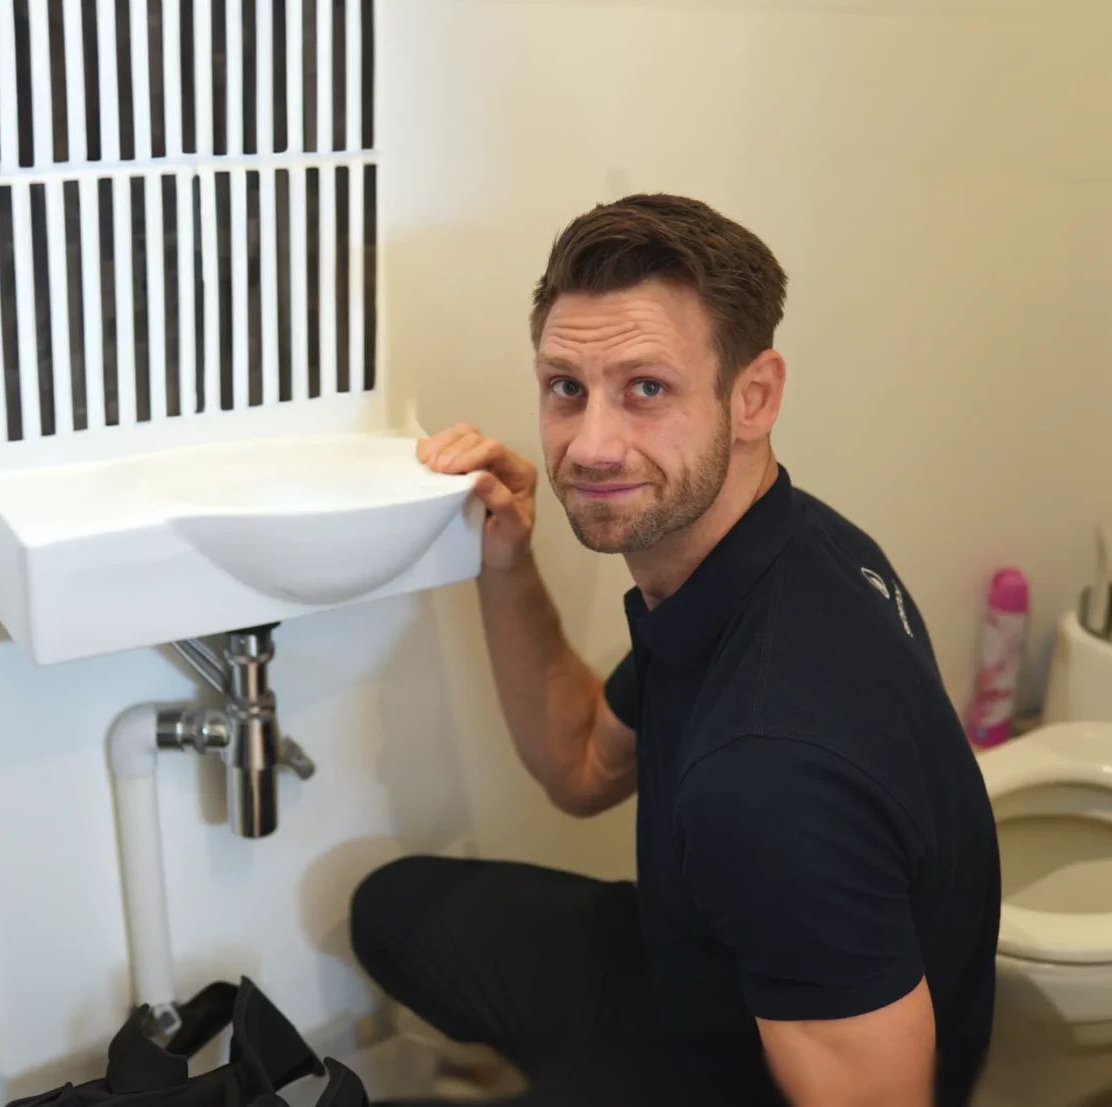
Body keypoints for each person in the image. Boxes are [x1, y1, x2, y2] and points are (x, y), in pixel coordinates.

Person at [349, 194, 1000, 1107]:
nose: (590, 444)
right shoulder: (780, 550)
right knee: (393, 910)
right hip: (709, 975)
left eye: (646, 389)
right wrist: (505, 558)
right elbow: (578, 765)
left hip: (762, 1068)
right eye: (566, 387)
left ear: (754, 396)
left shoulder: (770, 772)